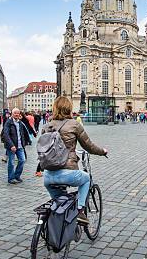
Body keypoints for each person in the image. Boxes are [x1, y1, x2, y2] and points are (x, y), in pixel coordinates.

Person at [42, 96, 107, 225]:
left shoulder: (47, 126)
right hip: (68, 173)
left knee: (60, 204)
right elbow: (89, 146)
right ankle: (80, 210)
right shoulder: (74, 125)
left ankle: (57, 232)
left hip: (48, 176)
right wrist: (102, 151)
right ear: (69, 108)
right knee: (86, 179)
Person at [2, 108, 31, 184]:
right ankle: (11, 178)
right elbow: (6, 134)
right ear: (12, 114)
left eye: (18, 113)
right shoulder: (8, 122)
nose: (16, 114)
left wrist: (25, 142)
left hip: (20, 145)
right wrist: (11, 145)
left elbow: (23, 133)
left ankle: (17, 176)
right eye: (15, 113)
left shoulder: (20, 123)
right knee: (11, 163)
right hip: (11, 146)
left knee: (22, 160)